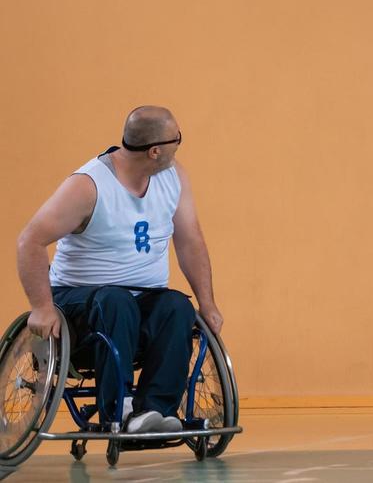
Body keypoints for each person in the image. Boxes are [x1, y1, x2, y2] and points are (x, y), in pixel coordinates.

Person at [14, 106, 223, 434]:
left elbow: (190, 240)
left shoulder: (174, 177)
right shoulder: (88, 186)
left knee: (176, 306)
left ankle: (154, 412)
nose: (180, 146)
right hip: (80, 306)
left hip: (140, 303)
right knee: (116, 301)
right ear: (155, 151)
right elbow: (30, 241)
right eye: (177, 140)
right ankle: (120, 408)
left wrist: (207, 303)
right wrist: (41, 307)